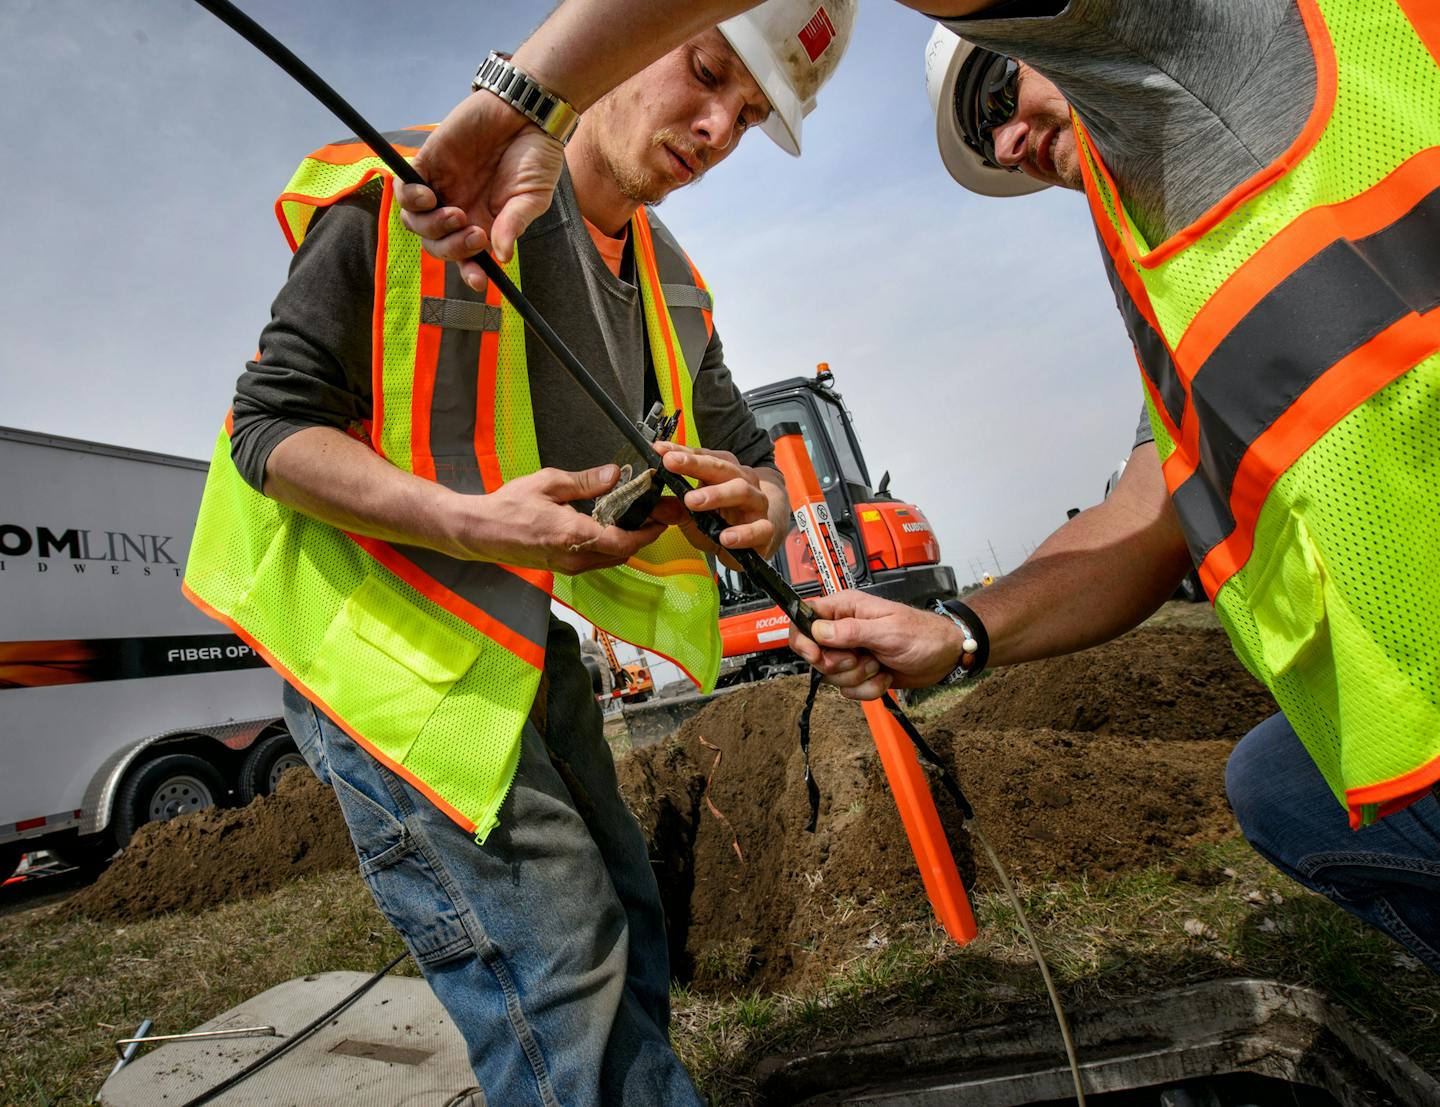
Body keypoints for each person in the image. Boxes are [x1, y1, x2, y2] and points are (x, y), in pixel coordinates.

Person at [394, 0, 1440, 974]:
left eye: (997, 95)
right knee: (1281, 792)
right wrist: (960, 630)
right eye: (984, 139)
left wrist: (524, 95)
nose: (1008, 144)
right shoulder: (1171, 265)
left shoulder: (1212, 44)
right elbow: (1149, 507)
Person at [182, 4, 855, 1103]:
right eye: (705, 72)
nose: (717, 128)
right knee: (557, 961)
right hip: (376, 641)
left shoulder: (672, 281)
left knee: (628, 906)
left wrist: (760, 500)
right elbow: (267, 430)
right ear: (626, 35)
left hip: (504, 630)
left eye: (748, 114)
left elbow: (749, 455)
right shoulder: (423, 188)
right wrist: (476, 522)